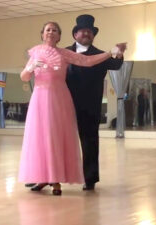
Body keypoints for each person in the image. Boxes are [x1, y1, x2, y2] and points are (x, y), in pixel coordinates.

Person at [18, 21, 125, 195]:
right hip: (39, 97)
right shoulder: (35, 52)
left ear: (59, 36)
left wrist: (110, 53)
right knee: (40, 137)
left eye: (54, 30)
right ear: (42, 34)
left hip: (59, 97)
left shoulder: (65, 53)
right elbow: (24, 77)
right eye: (48, 30)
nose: (51, 32)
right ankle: (42, 177)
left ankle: (57, 178)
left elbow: (88, 61)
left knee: (57, 137)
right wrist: (30, 68)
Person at [66, 14, 127, 191]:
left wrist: (119, 53)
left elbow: (115, 65)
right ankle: (50, 176)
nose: (86, 33)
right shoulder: (65, 52)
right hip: (65, 104)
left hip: (90, 106)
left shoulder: (100, 55)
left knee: (89, 142)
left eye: (89, 31)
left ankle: (90, 178)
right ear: (75, 34)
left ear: (93, 35)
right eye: (82, 31)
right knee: (57, 140)